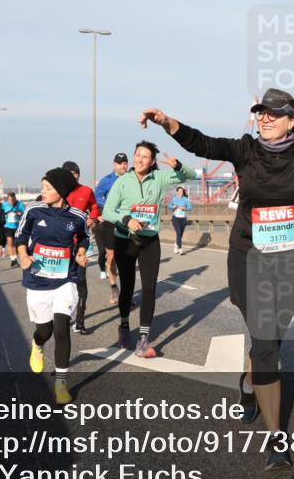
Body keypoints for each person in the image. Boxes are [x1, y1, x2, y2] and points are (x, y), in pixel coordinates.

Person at [139, 88, 294, 471]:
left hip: (290, 256)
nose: (265, 119)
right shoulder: (245, 149)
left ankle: (249, 381)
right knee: (264, 341)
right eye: (261, 113)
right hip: (246, 254)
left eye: (274, 114)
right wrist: (167, 122)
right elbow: (203, 143)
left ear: (292, 120)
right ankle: (277, 439)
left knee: (271, 337)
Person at [103, 142, 195, 355]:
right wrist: (126, 219)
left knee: (150, 289)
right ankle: (124, 327)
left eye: (145, 157)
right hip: (125, 239)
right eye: (138, 155)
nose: (140, 159)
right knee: (127, 287)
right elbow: (108, 211)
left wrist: (178, 165)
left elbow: (190, 176)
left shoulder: (160, 178)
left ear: (152, 161)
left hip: (150, 241)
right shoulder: (123, 181)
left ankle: (143, 341)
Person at [15, 167, 89, 405]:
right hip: (38, 280)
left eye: (48, 188)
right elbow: (20, 236)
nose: (42, 191)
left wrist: (81, 252)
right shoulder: (33, 210)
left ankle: (61, 383)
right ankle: (37, 345)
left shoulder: (77, 216)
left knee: (61, 329)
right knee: (44, 331)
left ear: (61, 191)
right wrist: (23, 256)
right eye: (42, 187)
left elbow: (85, 237)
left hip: (65, 280)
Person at [62, 161, 100, 335]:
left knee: (81, 281)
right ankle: (63, 315)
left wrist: (92, 218)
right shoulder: (58, 191)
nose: (74, 175)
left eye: (76, 173)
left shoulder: (86, 191)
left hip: (81, 244)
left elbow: (94, 206)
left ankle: (80, 320)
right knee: (63, 282)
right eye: (70, 173)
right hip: (61, 245)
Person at [94, 153, 128, 304]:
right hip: (111, 222)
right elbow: (97, 196)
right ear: (114, 164)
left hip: (127, 221)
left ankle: (126, 293)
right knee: (111, 256)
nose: (123, 166)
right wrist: (109, 206)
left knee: (127, 258)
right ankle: (114, 287)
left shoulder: (131, 179)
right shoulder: (106, 180)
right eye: (120, 163)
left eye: (125, 163)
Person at [2, 192, 26, 266]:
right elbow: (0, 214)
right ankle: (13, 259)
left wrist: (20, 214)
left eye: (12, 200)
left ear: (15, 198)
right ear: (7, 199)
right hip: (7, 226)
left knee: (16, 244)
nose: (11, 202)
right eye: (9, 200)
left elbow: (25, 214)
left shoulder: (21, 204)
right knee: (10, 242)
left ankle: (15, 257)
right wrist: (5, 214)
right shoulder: (4, 205)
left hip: (18, 227)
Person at [168, 186, 193, 255]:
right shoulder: (174, 198)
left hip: (183, 218)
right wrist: (172, 206)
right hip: (175, 218)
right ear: (177, 192)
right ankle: (180, 248)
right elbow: (169, 206)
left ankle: (176, 244)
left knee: (180, 234)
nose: (180, 193)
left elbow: (190, 208)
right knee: (178, 233)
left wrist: (184, 208)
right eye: (179, 191)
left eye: (181, 191)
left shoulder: (185, 199)